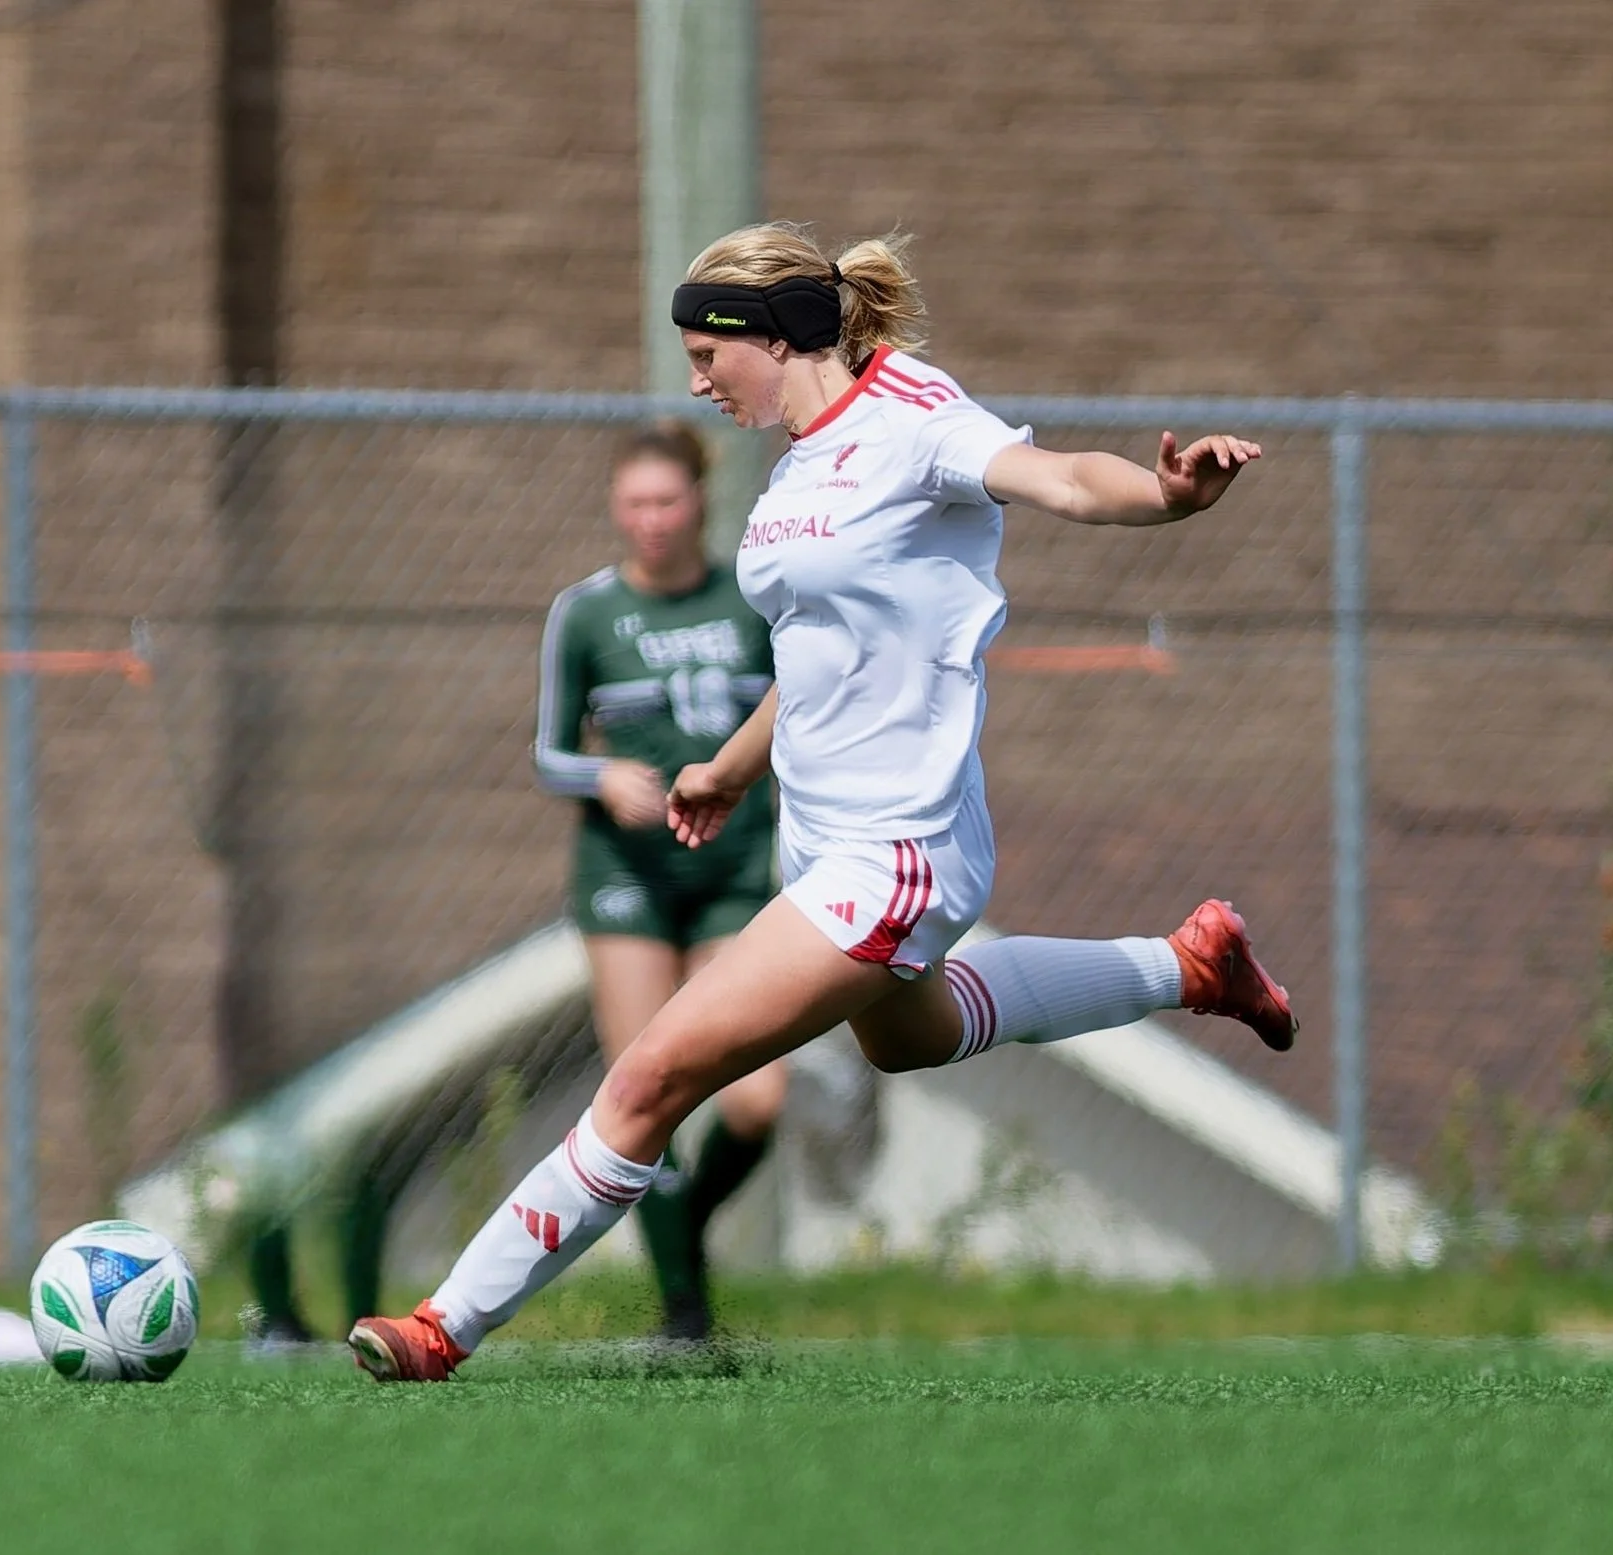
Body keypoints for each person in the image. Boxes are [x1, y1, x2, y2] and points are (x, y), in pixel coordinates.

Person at [348, 223, 1295, 1382]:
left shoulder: (912, 418)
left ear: (774, 334)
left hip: (896, 850)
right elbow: (814, 651)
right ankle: (1189, 965)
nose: (697, 382)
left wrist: (1164, 494)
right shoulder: (800, 463)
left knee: (650, 1077)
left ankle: (445, 1324)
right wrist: (735, 764)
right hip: (821, 840)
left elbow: (1056, 480)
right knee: (915, 1038)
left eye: (708, 353)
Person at [534, 420, 787, 1340]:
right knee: (642, 1093)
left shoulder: (750, 599)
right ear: (616, 508)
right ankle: (687, 1317)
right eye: (634, 502)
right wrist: (599, 774)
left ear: (700, 503)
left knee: (757, 1099)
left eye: (666, 500)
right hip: (626, 880)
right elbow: (547, 752)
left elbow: (797, 713)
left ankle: (684, 1226)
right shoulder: (588, 612)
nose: (650, 519)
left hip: (731, 874)